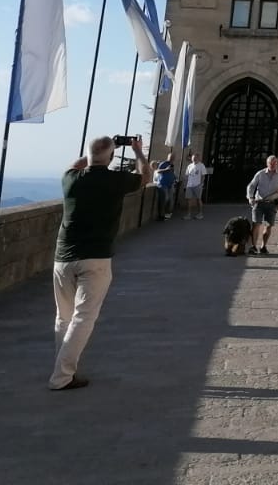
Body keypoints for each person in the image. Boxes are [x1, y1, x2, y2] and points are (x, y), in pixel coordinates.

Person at [51, 136, 151, 390]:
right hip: (95, 257)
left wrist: (97, 151)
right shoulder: (115, 180)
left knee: (64, 317)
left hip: (63, 257)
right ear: (111, 157)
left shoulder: (70, 179)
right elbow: (145, 176)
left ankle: (63, 368)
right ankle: (61, 376)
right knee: (84, 316)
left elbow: (76, 165)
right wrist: (137, 152)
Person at [245, 155, 278, 255]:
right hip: (259, 202)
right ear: (267, 164)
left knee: (268, 226)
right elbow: (251, 186)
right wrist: (250, 197)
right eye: (270, 163)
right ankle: (253, 246)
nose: (272, 165)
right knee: (256, 224)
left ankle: (263, 246)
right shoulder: (260, 173)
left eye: (274, 163)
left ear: (277, 163)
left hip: (272, 203)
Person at [183, 153, 211, 220]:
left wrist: (200, 184)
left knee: (198, 199)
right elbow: (187, 175)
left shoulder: (201, 165)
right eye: (193, 158)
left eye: (195, 158)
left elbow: (203, 176)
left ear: (198, 158)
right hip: (189, 185)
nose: (194, 159)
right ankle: (188, 215)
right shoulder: (189, 166)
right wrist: (186, 184)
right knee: (189, 200)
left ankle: (200, 214)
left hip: (197, 185)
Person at [152, 150, 176, 221]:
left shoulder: (172, 164)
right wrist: (166, 169)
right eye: (171, 157)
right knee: (165, 199)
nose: (172, 159)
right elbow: (158, 171)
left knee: (170, 200)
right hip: (163, 185)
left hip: (170, 185)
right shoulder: (163, 163)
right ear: (168, 157)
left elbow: (171, 173)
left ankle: (166, 214)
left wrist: (174, 178)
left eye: (173, 157)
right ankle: (161, 215)